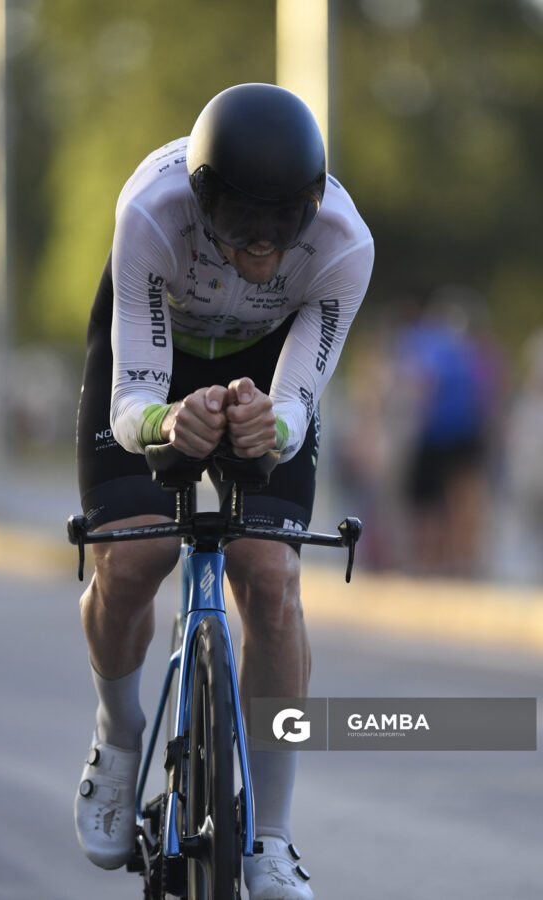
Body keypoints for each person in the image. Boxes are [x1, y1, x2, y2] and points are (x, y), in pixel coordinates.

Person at [74, 82, 374, 900]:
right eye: (243, 233)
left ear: (312, 207)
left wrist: (268, 427)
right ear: (205, 204)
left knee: (272, 582)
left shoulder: (346, 245)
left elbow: (298, 404)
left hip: (266, 369)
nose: (264, 255)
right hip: (157, 356)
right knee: (132, 565)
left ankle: (270, 835)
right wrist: (170, 420)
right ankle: (118, 731)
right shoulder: (150, 211)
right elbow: (133, 399)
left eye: (285, 233)